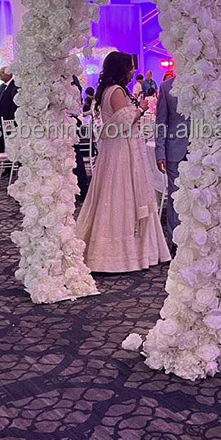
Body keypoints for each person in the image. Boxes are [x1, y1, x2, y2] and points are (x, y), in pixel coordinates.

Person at [76, 51, 170, 273]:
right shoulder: (116, 91)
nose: (132, 72)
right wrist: (141, 108)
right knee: (121, 193)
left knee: (114, 193)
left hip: (116, 148)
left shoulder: (107, 91)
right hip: (120, 150)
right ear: (120, 69)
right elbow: (124, 121)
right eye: (129, 67)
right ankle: (119, 255)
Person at [155, 71, 189, 252]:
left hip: (203, 151)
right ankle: (175, 241)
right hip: (175, 149)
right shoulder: (166, 87)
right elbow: (161, 122)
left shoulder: (204, 85)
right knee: (175, 197)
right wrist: (159, 152)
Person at [0, 66, 18, 154]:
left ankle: (10, 163)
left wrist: (12, 119)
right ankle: (4, 158)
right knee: (2, 141)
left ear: (8, 74)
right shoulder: (1, 87)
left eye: (2, 72)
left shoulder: (15, 86)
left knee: (11, 142)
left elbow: (14, 104)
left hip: (10, 121)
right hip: (0, 120)